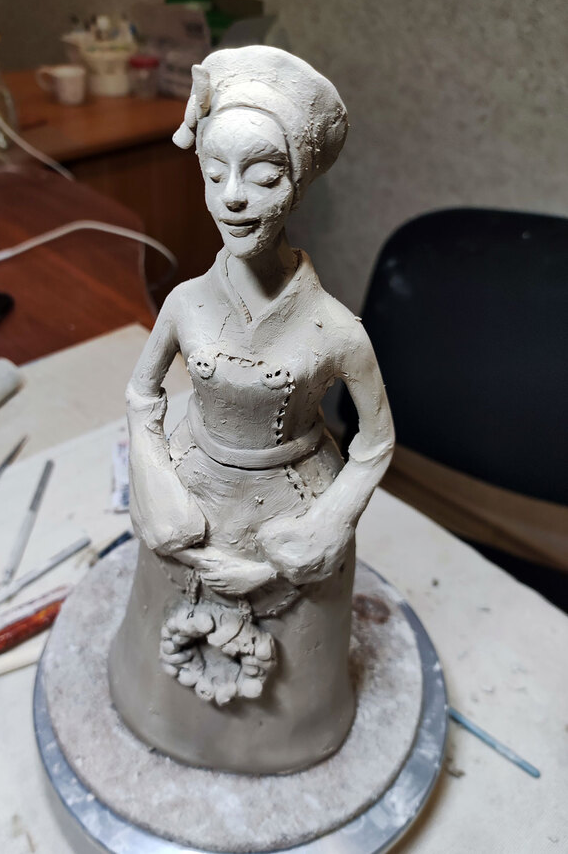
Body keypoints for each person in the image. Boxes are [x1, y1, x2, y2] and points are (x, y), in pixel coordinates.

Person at [108, 46, 395, 774]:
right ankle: (158, 714)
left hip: (290, 502)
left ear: (295, 187)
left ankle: (293, 740)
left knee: (290, 676)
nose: (234, 196)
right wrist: (158, 488)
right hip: (194, 486)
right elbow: (142, 395)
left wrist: (318, 531)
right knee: (163, 639)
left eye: (263, 176)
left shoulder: (337, 330)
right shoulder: (185, 302)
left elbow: (376, 443)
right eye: (215, 174)